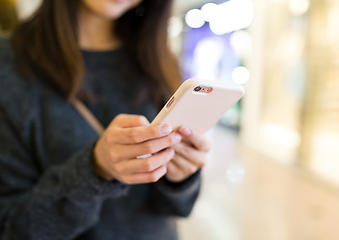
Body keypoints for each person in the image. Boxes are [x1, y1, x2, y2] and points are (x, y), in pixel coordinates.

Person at [0, 0, 211, 239]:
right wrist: (94, 169)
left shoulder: (156, 59)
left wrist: (181, 177)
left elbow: (178, 209)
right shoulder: (8, 65)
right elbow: (10, 228)